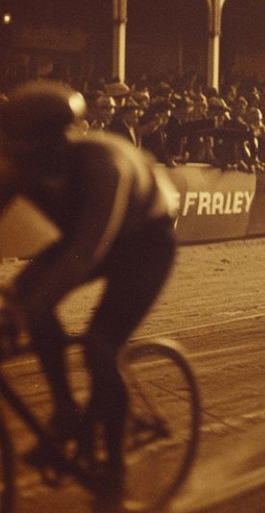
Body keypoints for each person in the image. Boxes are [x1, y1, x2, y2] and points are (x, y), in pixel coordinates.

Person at [0, 81, 178, 505]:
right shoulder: (22, 165)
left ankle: (114, 470)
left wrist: (22, 313)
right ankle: (66, 413)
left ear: (57, 141)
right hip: (87, 239)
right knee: (23, 297)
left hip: (143, 245)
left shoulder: (105, 164)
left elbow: (87, 251)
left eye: (26, 151)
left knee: (100, 346)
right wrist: (20, 306)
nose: (18, 160)